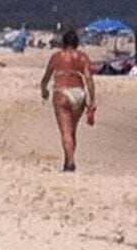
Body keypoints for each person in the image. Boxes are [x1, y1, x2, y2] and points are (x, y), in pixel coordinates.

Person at [39, 26, 98, 171]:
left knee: (66, 131)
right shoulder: (82, 57)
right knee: (72, 131)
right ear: (76, 43)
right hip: (79, 92)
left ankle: (70, 163)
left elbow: (46, 77)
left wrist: (44, 91)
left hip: (62, 92)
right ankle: (67, 160)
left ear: (63, 42)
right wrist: (92, 100)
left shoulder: (56, 57)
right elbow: (89, 79)